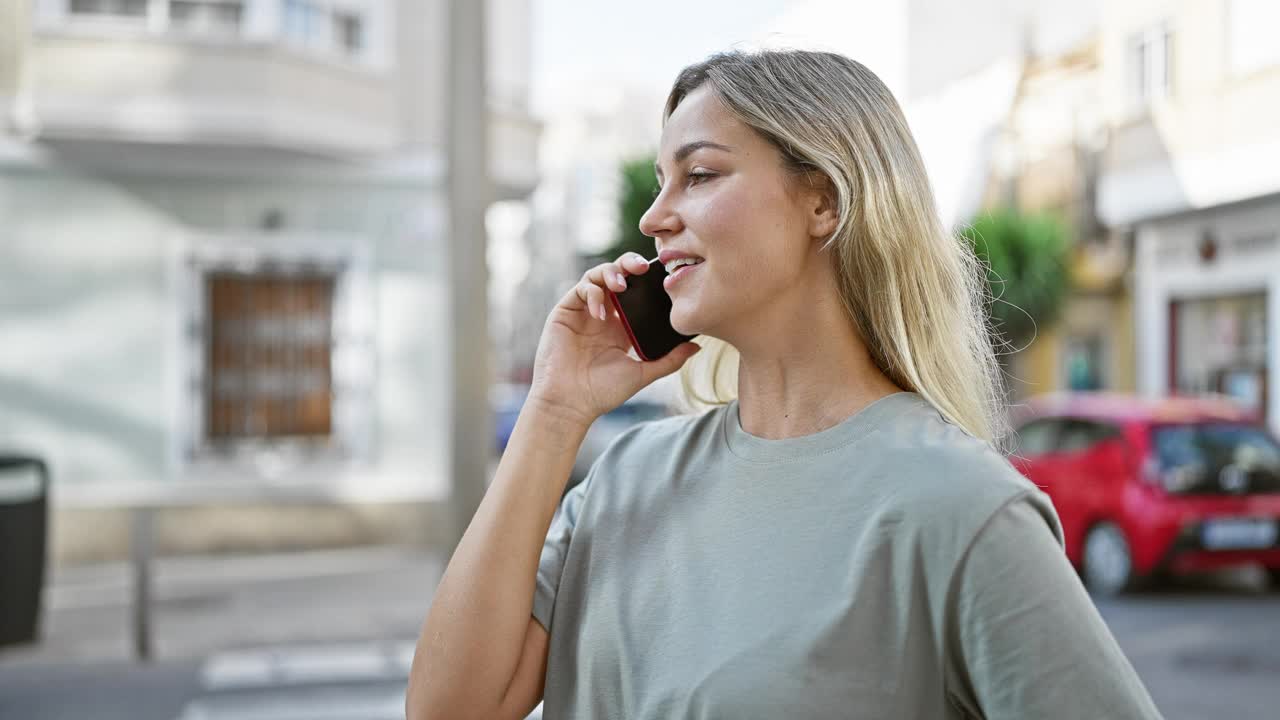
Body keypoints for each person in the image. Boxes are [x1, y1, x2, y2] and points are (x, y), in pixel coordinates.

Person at [406, 49, 1164, 720]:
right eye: (662, 181)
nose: (653, 216)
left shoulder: (961, 509)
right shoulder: (625, 480)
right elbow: (448, 710)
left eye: (699, 175)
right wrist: (554, 409)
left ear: (824, 200)